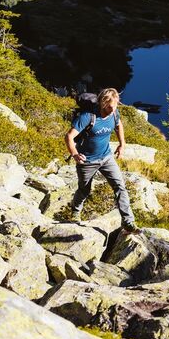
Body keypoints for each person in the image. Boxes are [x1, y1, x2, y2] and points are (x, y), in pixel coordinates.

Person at [65, 87, 139, 231]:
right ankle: (75, 211)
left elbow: (119, 125)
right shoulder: (88, 116)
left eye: (115, 105)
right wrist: (75, 154)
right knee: (84, 190)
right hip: (87, 161)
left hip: (106, 157)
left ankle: (128, 221)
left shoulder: (114, 113)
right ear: (102, 103)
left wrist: (122, 144)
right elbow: (69, 137)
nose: (113, 109)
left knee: (120, 187)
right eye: (110, 106)